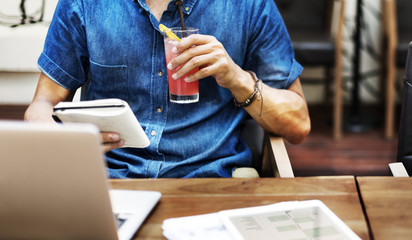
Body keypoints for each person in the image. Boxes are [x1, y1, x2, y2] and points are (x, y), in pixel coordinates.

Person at [25, 0, 310, 178]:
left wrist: (237, 78)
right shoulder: (86, 4)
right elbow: (41, 105)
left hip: (210, 181)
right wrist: (66, 138)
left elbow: (298, 125)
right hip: (108, 181)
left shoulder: (249, 6)